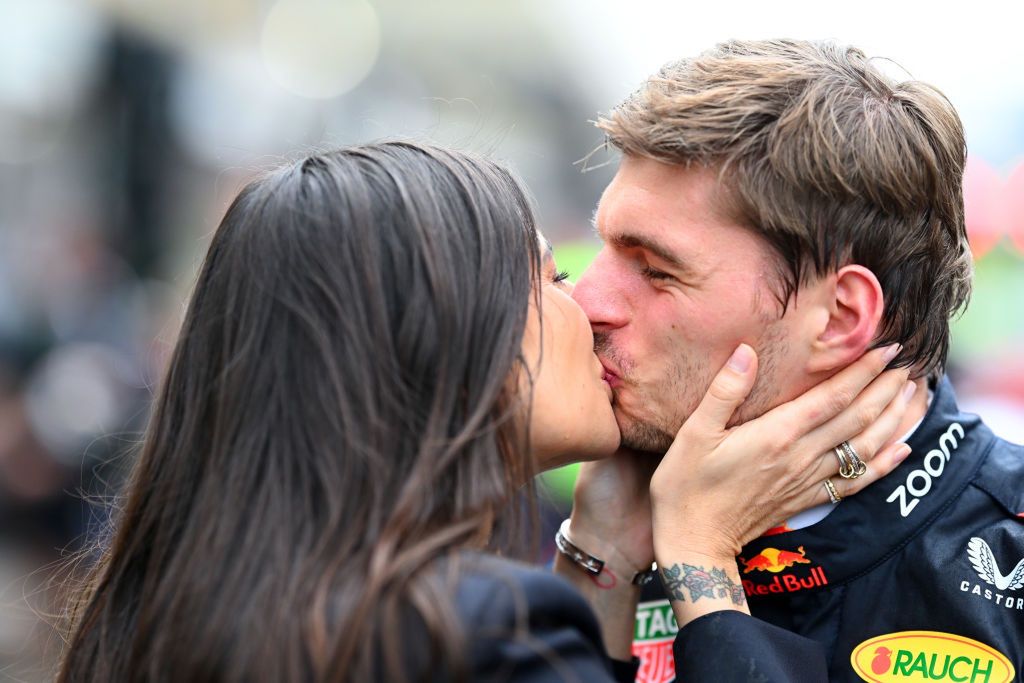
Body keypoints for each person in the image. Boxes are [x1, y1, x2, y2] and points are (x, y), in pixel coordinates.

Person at [56, 142, 911, 683]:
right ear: (445, 337)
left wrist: (601, 549)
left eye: (653, 269)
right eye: (548, 275)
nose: (591, 303)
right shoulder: (478, 634)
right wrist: (700, 556)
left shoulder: (163, 612)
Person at [568, 39, 1024, 681]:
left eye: (655, 270)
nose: (585, 299)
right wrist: (598, 553)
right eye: (604, 249)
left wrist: (701, 562)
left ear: (839, 317)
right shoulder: (611, 518)